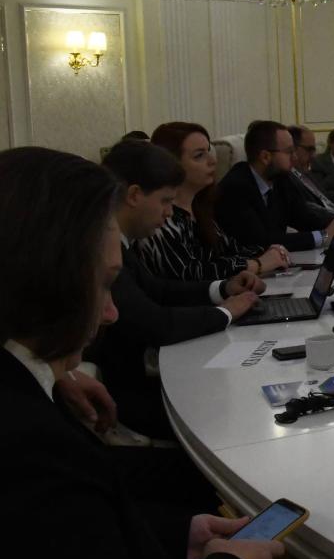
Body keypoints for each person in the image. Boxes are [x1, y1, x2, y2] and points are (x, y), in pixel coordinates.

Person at [1, 145, 334, 559]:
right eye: (105, 284)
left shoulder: (27, 407)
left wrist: (179, 535)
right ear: (49, 283)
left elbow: (85, 540)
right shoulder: (30, 452)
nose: (110, 313)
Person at [94, 141, 263, 439]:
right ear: (134, 195)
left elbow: (159, 290)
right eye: (165, 201)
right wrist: (225, 312)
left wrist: (223, 288)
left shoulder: (121, 243)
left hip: (144, 379)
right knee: (243, 411)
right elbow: (156, 323)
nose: (170, 213)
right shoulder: (104, 251)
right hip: (129, 396)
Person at [142, 122, 287, 281]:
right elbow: (190, 274)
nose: (212, 161)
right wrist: (257, 264)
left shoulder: (200, 208)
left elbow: (231, 250)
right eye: (199, 156)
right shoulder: (161, 218)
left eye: (209, 151)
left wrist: (271, 251)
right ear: (172, 164)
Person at [216, 120, 334, 254]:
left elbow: (303, 217)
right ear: (265, 157)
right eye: (289, 152)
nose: (295, 157)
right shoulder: (235, 188)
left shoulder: (280, 179)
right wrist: (324, 235)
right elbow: (261, 242)